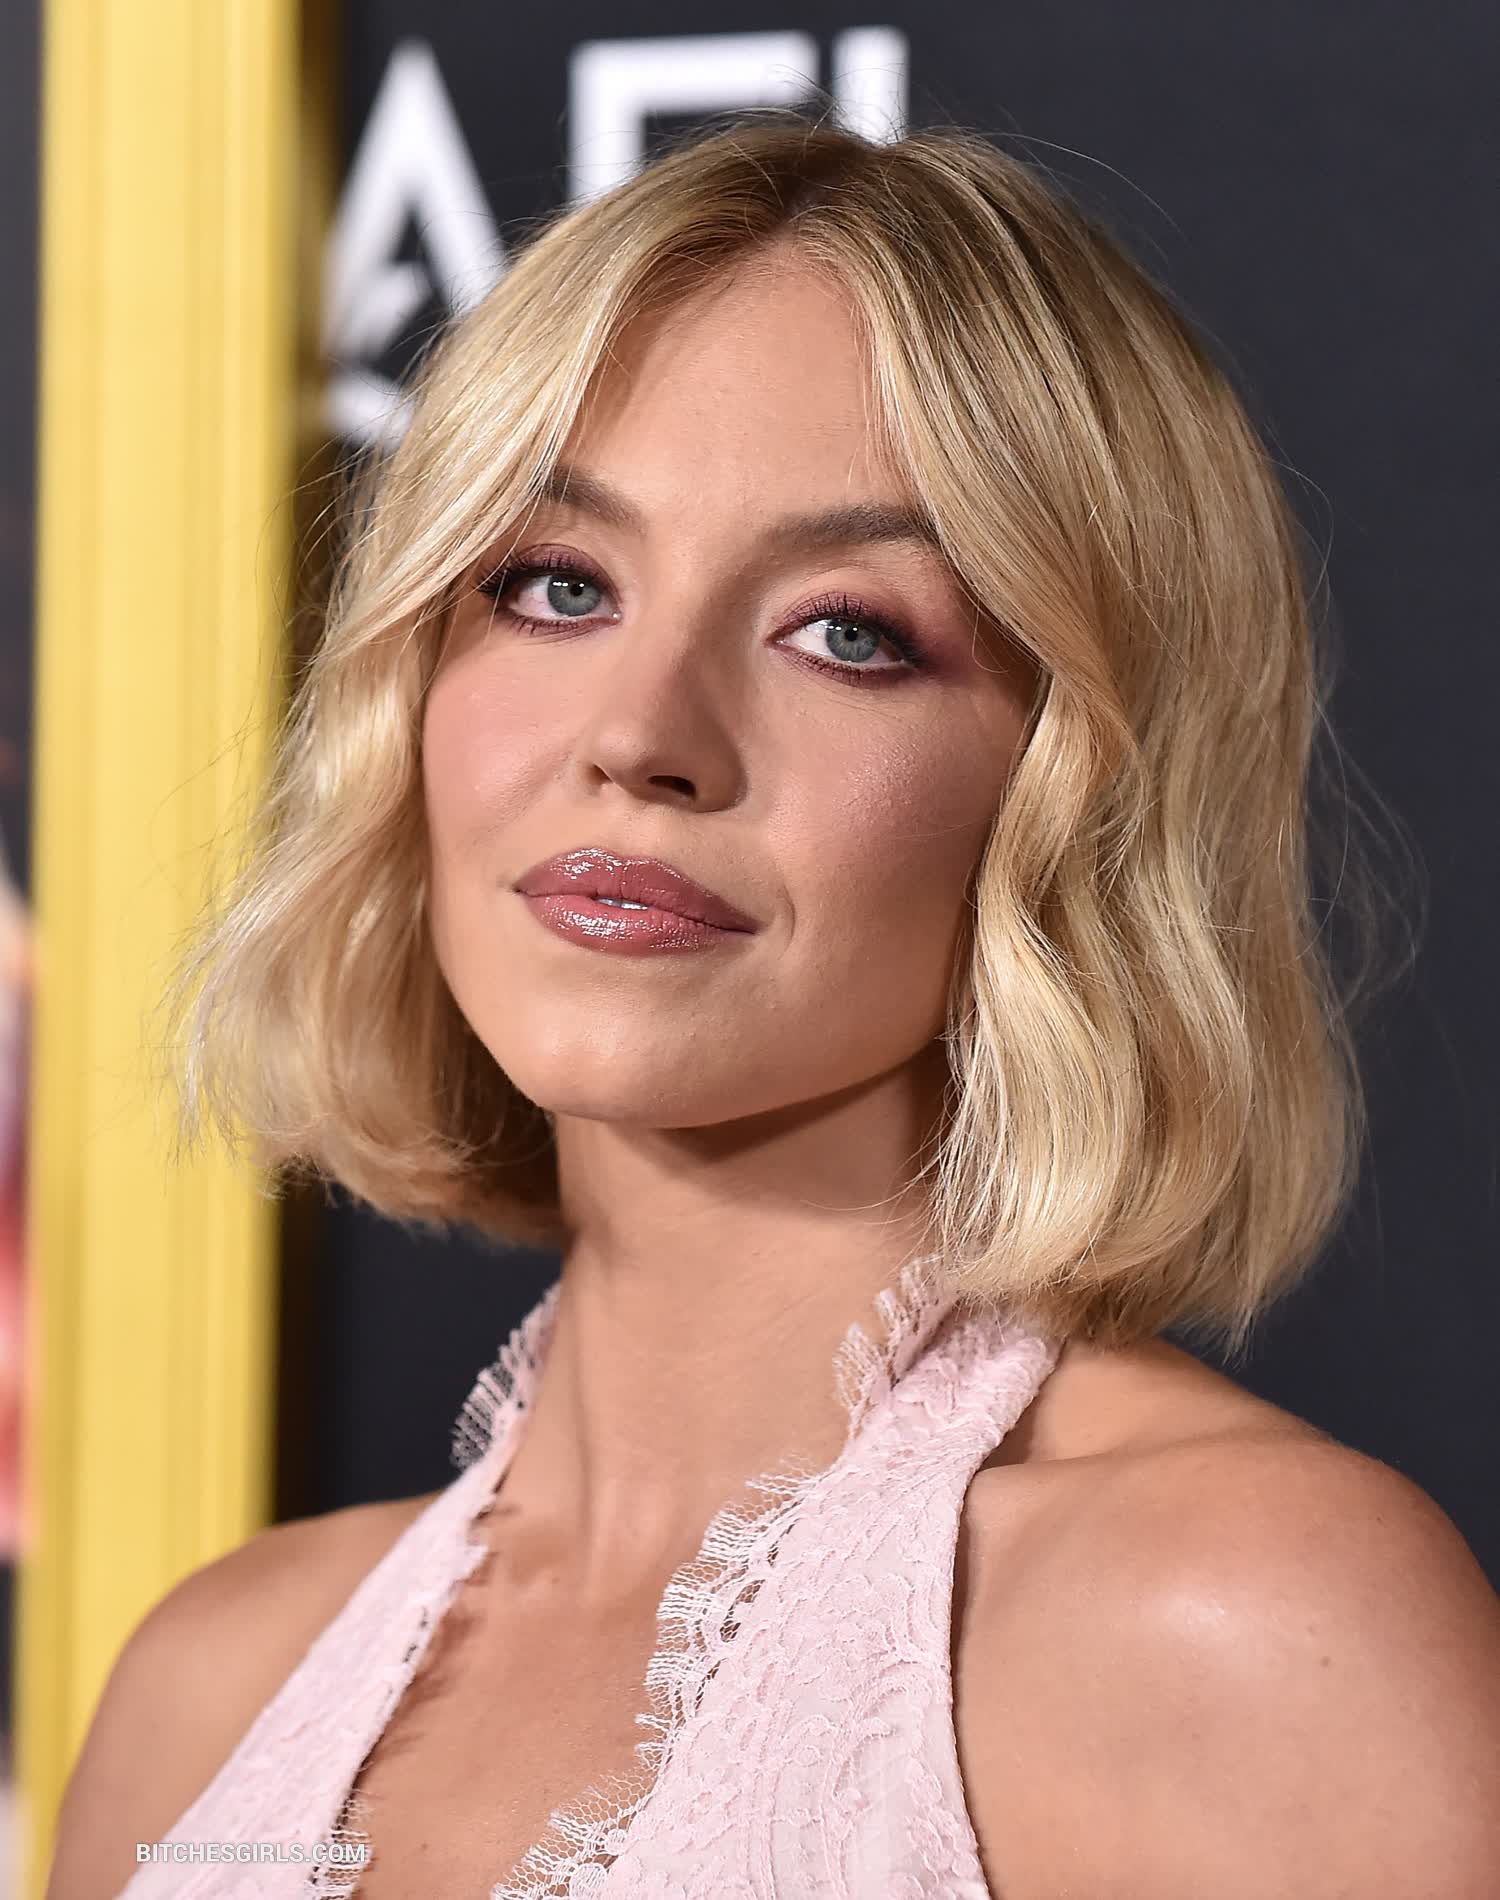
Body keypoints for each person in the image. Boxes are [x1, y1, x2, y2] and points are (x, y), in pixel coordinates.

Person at [47, 109, 1500, 1899]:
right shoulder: (208, 1695)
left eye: (847, 631)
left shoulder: (1244, 1635)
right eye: (556, 585)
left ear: (1081, 784)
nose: (642, 734)